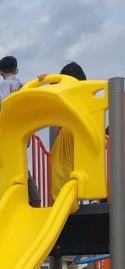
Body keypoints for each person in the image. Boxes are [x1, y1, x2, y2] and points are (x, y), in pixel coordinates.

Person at [0, 55, 40, 205]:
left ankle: (7, 196)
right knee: (20, 162)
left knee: (6, 161)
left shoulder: (6, 84)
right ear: (17, 70)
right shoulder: (23, 87)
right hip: (24, 130)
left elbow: (2, 100)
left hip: (10, 131)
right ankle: (34, 199)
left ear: (0, 73)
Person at [48, 62, 87, 195]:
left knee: (61, 165)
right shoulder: (83, 93)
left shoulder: (74, 94)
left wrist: (50, 81)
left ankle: (63, 194)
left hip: (69, 132)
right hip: (78, 134)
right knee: (71, 165)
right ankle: (89, 196)